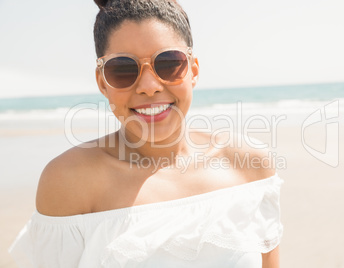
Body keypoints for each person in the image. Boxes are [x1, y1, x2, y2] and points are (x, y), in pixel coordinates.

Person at [9, 0, 283, 267]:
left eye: (168, 63)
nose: (149, 86)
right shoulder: (69, 180)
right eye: (123, 69)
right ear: (102, 83)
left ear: (193, 71)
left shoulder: (251, 165)